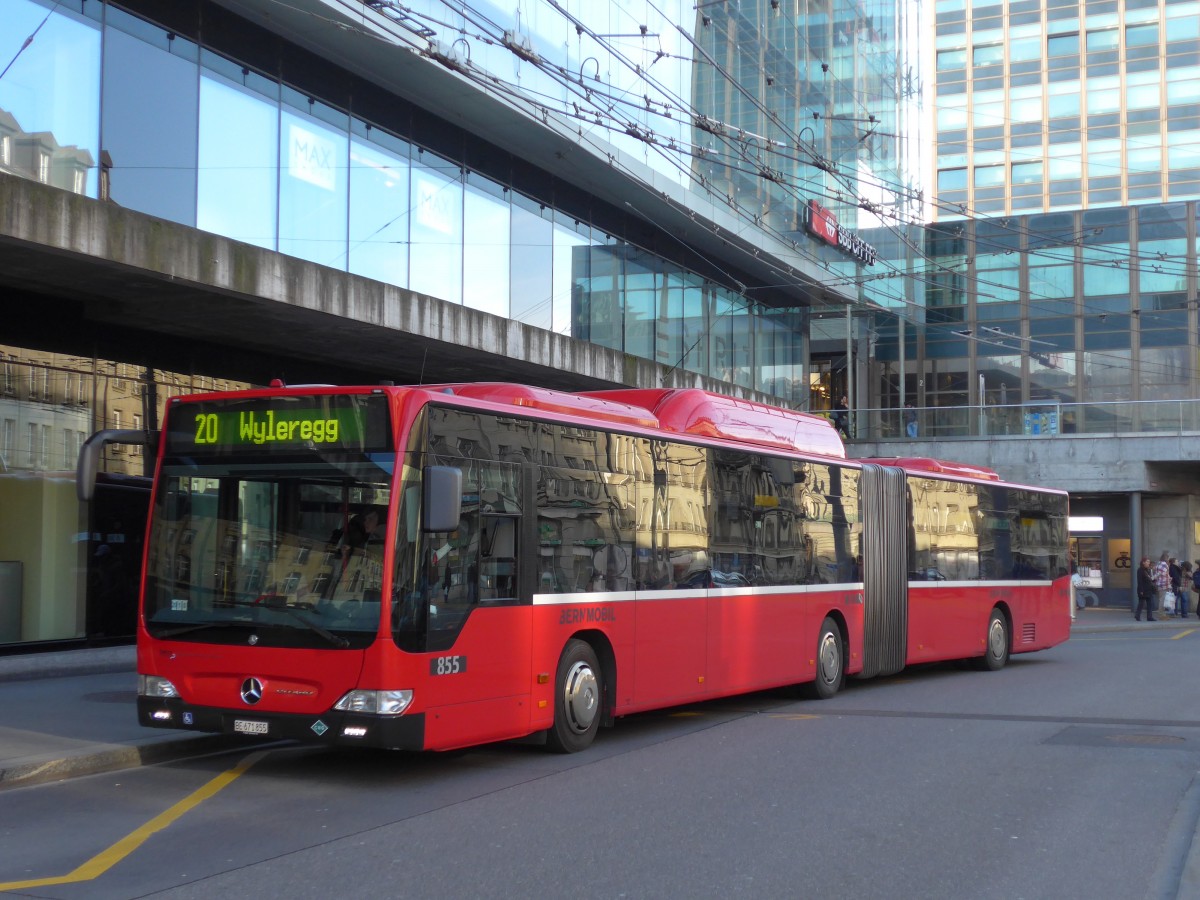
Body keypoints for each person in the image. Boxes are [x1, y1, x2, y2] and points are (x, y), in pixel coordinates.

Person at [1135, 557, 1157, 621]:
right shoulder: (1140, 570)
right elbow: (1140, 581)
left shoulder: (1148, 570)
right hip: (1143, 589)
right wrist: (1141, 590)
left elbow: (1150, 579)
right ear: (1143, 562)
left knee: (1149, 603)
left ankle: (1149, 617)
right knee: (1141, 603)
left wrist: (1154, 578)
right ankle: (1137, 615)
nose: (1148, 563)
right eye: (1147, 561)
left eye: (1149, 562)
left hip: (1149, 589)